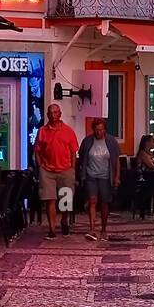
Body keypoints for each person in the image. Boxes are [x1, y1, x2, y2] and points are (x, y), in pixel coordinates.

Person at [35, 102, 80, 238]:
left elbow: (73, 152)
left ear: (60, 114)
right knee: (50, 199)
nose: (53, 115)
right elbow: (37, 150)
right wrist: (40, 165)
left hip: (65, 169)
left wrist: (72, 168)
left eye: (55, 112)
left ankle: (64, 220)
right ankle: (52, 229)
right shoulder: (42, 131)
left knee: (65, 200)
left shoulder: (68, 131)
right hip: (47, 170)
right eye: (50, 113)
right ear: (47, 115)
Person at [78, 118, 120, 241]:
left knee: (105, 202)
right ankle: (92, 228)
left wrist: (117, 177)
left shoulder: (111, 142)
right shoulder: (87, 141)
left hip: (106, 176)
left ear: (105, 130)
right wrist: (82, 173)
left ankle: (103, 229)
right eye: (96, 130)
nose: (98, 132)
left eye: (101, 130)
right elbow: (82, 157)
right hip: (91, 175)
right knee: (92, 200)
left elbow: (116, 160)